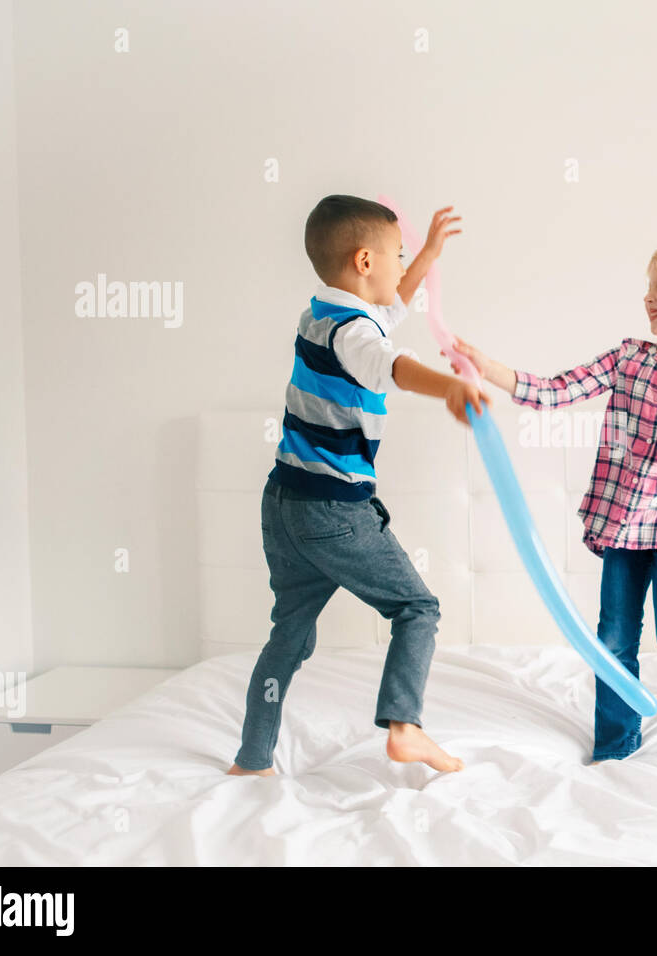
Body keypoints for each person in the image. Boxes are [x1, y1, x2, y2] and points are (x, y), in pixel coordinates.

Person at [446, 242, 657, 762]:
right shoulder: (629, 358)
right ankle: (616, 746)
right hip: (624, 524)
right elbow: (552, 392)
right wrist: (486, 366)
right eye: (648, 286)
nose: (647, 297)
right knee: (612, 641)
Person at [228, 195, 489, 777]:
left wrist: (425, 254)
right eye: (395, 257)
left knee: (289, 637)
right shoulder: (355, 334)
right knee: (417, 608)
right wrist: (447, 386)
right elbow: (387, 363)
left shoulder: (320, 313)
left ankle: (251, 758)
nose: (403, 271)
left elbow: (389, 309)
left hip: (284, 503)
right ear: (366, 261)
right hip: (334, 511)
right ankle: (404, 727)